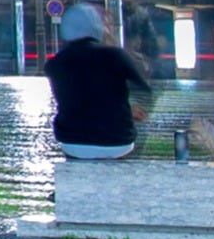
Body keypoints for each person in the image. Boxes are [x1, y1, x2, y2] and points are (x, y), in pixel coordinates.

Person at [43, 22, 155, 160]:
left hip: (72, 142)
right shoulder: (116, 56)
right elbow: (142, 89)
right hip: (117, 142)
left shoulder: (58, 62)